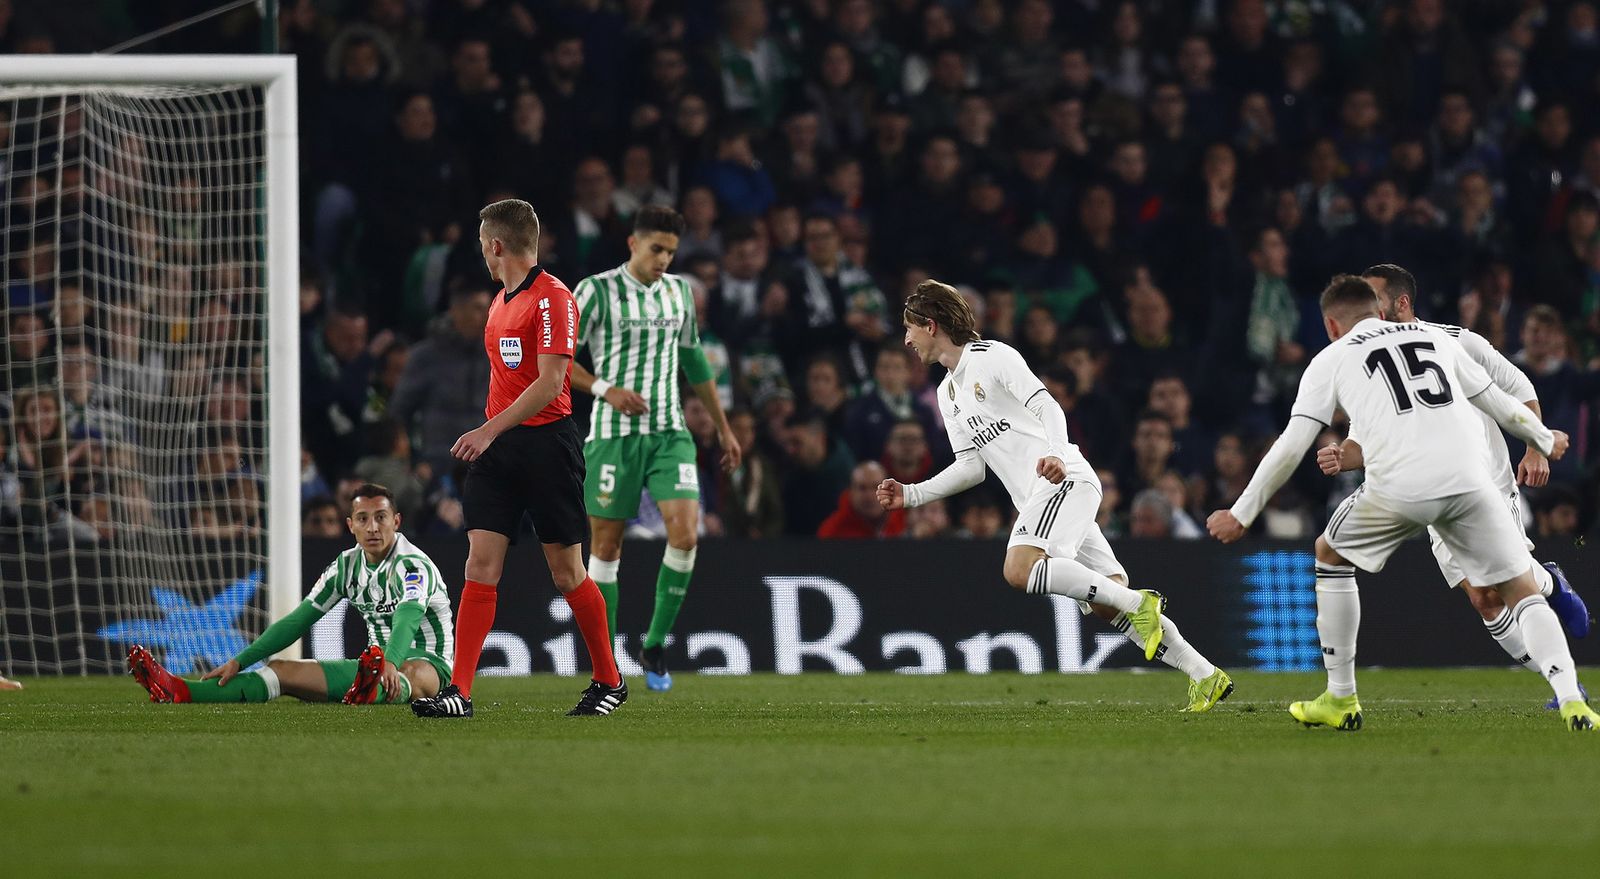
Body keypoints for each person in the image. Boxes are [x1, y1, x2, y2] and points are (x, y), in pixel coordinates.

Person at [1206, 275, 1597, 732]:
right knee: (1518, 593)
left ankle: (1340, 699)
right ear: (1378, 309)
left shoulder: (1332, 358)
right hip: (1470, 481)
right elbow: (1497, 402)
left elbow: (1293, 444)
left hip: (1400, 487)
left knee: (1330, 555)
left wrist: (1241, 512)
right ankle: (1573, 701)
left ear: (1332, 324)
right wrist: (1544, 439)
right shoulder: (1435, 338)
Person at [877, 280, 1234, 712]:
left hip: (1062, 481)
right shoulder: (947, 394)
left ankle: (1140, 603)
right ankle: (1204, 675)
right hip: (1043, 497)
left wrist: (1055, 452)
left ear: (931, 326)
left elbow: (1046, 405)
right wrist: (912, 495)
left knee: (1020, 569)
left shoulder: (993, 357)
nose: (906, 340)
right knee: (1108, 600)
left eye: (910, 328)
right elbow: (971, 467)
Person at [1322, 264, 1590, 707]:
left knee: (1503, 586)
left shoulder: (1457, 340)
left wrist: (1535, 447)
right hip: (1428, 492)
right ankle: (1561, 665)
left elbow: (1516, 383)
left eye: (1375, 301)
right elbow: (1365, 439)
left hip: (1485, 482)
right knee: (1484, 600)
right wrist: (1344, 455)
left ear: (1402, 304)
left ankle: (1550, 606)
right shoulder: (1369, 360)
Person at [410, 199, 624, 719]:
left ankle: (609, 680)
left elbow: (552, 382)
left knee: (567, 573)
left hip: (548, 446)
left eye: (484, 244)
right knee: (480, 565)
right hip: (499, 450)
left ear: (497, 245)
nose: (483, 253)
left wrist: (488, 428)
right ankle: (459, 692)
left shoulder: (553, 299)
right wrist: (493, 432)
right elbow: (506, 378)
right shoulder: (500, 300)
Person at [566, 205, 742, 692]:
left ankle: (655, 644)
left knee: (686, 535)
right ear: (633, 243)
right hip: (612, 436)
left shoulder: (680, 292)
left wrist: (724, 428)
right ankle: (606, 663)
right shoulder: (595, 291)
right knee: (605, 548)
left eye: (670, 251)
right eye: (656, 248)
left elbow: (694, 361)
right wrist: (607, 390)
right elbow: (560, 361)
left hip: (670, 433)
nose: (664, 258)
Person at [127, 484, 451, 705]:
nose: (373, 528)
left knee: (416, 671)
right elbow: (298, 620)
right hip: (374, 669)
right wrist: (241, 660)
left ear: (396, 521)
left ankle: (377, 687)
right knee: (281, 670)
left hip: (427, 667)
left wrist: (391, 663)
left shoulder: (412, 564)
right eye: (363, 520)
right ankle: (180, 690)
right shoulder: (345, 567)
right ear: (351, 525)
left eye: (381, 518)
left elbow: (408, 617)